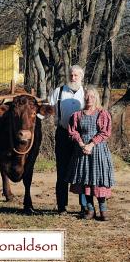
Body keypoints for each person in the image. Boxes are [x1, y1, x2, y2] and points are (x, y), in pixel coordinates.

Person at [67, 85, 115, 221]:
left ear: (96, 98)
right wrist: (82, 144)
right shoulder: (76, 115)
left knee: (98, 180)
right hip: (82, 151)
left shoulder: (102, 113)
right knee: (85, 179)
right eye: (87, 96)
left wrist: (92, 144)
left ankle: (103, 208)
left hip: (98, 150)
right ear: (84, 97)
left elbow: (105, 132)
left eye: (92, 96)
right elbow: (73, 131)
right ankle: (90, 209)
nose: (89, 98)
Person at [49, 65, 87, 214]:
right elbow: (46, 111)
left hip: (82, 137)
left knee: (82, 171)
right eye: (71, 75)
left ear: (81, 77)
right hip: (63, 134)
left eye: (76, 75)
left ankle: (84, 206)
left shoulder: (86, 94)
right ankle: (61, 206)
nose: (73, 78)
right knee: (62, 171)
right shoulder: (58, 92)